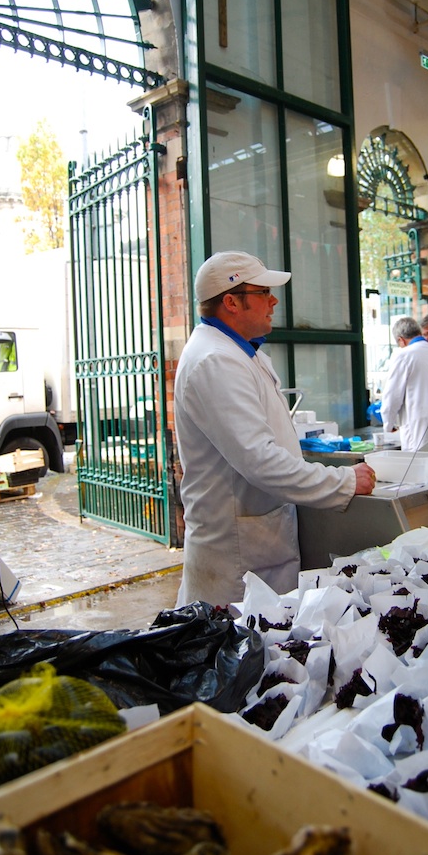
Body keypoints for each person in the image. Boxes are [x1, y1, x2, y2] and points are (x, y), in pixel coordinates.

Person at [173, 250, 376, 608]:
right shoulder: (216, 361)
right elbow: (260, 461)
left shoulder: (242, 353)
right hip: (236, 562)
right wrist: (342, 482)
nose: (273, 300)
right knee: (241, 650)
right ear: (232, 302)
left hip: (258, 546)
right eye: (262, 293)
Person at [380, 317, 428, 450]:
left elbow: (392, 397)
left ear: (401, 340)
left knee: (420, 466)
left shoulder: (404, 355)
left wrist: (388, 424)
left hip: (420, 429)